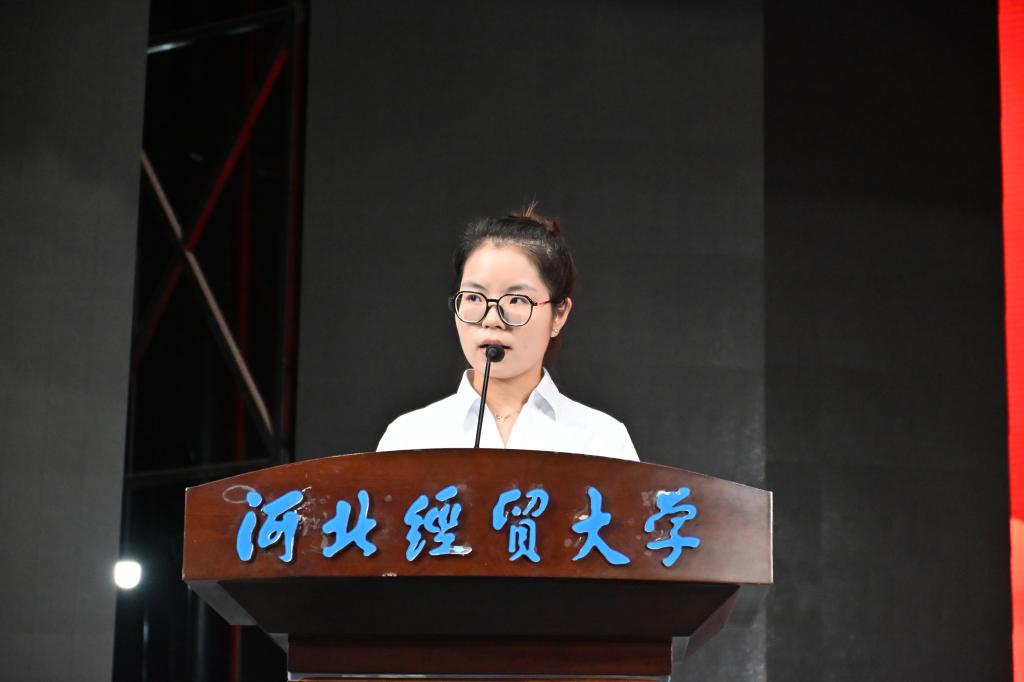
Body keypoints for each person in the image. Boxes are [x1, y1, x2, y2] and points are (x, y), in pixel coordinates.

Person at [376, 203, 639, 461]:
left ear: (558, 314)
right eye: (474, 297)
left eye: (516, 300)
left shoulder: (602, 441)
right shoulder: (409, 439)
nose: (492, 320)